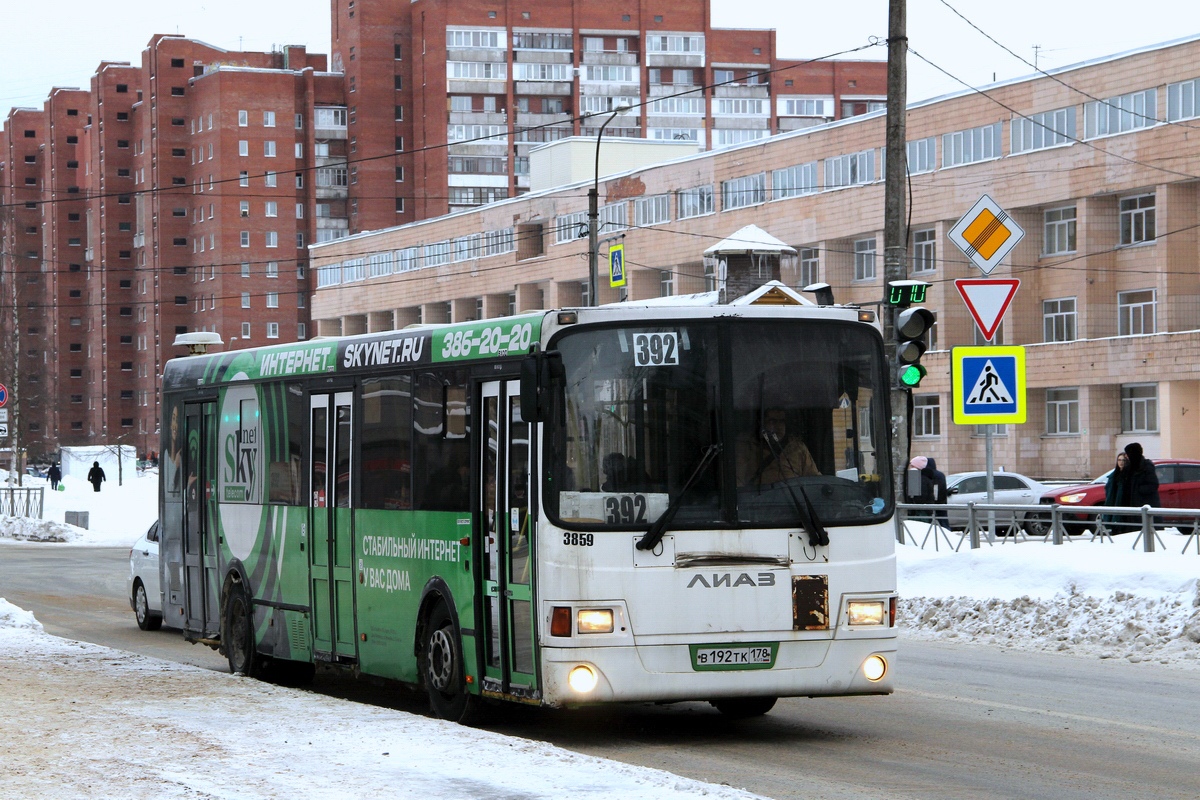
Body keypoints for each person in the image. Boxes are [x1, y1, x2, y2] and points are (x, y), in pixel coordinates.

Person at [737, 408, 819, 487]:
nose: (778, 426)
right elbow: (737, 484)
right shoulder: (746, 448)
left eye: (782, 421)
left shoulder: (798, 448)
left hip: (794, 499)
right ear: (761, 423)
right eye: (772, 421)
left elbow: (814, 481)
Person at [1124, 442, 1161, 513]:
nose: (1126, 457)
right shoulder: (1129, 468)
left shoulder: (1147, 467)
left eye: (1128, 454)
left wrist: (1137, 489)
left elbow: (1153, 485)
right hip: (1132, 506)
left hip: (1145, 505)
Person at [1101, 451, 1131, 531]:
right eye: (1119, 460)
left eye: (1123, 460)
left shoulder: (1128, 475)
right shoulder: (1113, 476)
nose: (1121, 462)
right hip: (1112, 503)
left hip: (1123, 505)